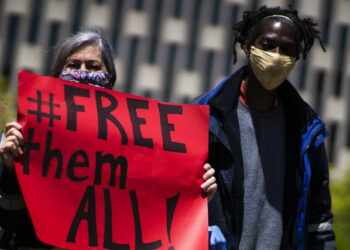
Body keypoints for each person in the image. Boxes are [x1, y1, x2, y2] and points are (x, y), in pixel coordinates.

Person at [0, 28, 217, 249]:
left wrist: (194, 195)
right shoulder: (29, 135)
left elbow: (150, 222)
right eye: (73, 65)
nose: (82, 72)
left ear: (109, 80)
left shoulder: (136, 144)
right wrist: (10, 169)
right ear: (57, 74)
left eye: (93, 67)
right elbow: (11, 220)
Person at [193, 6, 335, 250]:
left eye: (287, 49)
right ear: (247, 47)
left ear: (296, 57)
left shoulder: (308, 131)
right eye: (267, 45)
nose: (276, 55)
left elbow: (318, 219)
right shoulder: (204, 117)